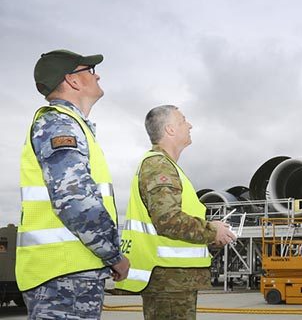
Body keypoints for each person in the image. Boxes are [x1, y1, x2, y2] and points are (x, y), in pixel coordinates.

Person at [17, 49, 130, 319]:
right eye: (89, 70)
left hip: (69, 273)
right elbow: (75, 200)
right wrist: (114, 255)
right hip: (62, 277)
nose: (97, 74)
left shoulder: (71, 124)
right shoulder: (59, 124)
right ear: (73, 80)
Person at [116, 105, 236, 319]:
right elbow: (168, 220)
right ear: (170, 129)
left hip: (174, 280)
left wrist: (211, 240)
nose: (189, 125)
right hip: (168, 281)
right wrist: (212, 230)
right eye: (183, 121)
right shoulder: (159, 166)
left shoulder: (166, 165)